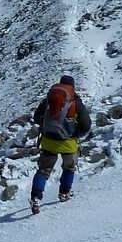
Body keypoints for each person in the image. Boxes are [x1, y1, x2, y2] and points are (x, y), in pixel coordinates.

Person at [29, 75, 92, 214]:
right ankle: (64, 194)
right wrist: (76, 133)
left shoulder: (49, 99)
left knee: (44, 170)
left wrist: (47, 126)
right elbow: (87, 124)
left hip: (48, 141)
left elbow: (36, 117)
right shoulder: (75, 101)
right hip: (68, 143)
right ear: (73, 86)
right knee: (69, 168)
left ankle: (36, 197)